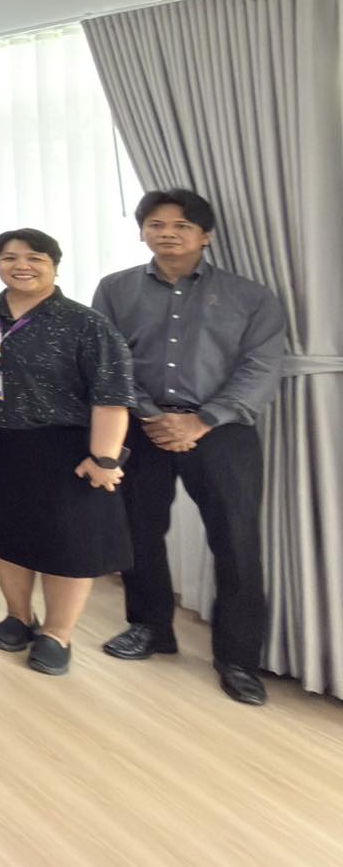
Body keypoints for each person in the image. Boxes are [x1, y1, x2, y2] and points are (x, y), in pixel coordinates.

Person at [92, 189, 286, 705]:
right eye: (156, 225)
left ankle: (238, 659)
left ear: (206, 236)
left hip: (222, 430)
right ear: (142, 232)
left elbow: (262, 366)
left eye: (181, 226)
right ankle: (150, 628)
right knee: (138, 531)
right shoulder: (115, 289)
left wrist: (202, 420)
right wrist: (150, 415)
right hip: (142, 427)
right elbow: (109, 359)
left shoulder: (250, 296)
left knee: (236, 542)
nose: (167, 234)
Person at [0, 228, 135, 676]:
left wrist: (105, 457)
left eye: (35, 258)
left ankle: (58, 633)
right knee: (4, 532)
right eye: (9, 257)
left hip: (65, 447)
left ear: (55, 266)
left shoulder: (85, 323)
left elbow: (112, 395)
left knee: (68, 544)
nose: (22, 265)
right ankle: (18, 616)